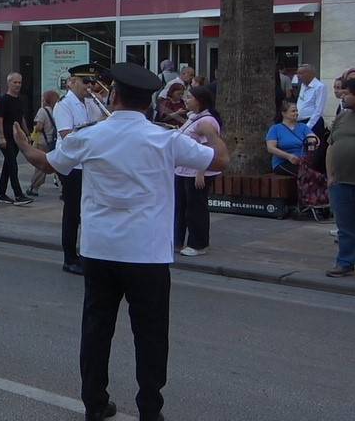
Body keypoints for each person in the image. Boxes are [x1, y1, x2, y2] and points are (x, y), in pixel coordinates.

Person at [15, 61, 228, 421]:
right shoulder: (165, 139)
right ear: (147, 104)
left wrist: (22, 143)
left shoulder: (90, 136)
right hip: (147, 254)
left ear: (113, 96)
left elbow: (47, 162)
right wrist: (211, 129)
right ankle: (150, 409)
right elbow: (220, 160)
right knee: (151, 335)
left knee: (97, 330)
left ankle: (95, 404)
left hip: (100, 250)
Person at [52, 64, 97, 275]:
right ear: (72, 82)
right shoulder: (64, 105)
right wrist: (94, 128)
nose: (90, 86)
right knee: (72, 212)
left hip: (86, 163)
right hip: (70, 164)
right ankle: (69, 258)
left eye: (92, 82)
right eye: (85, 82)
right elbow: (66, 136)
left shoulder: (91, 103)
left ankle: (84, 254)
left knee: (85, 211)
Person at [174, 86, 222, 258]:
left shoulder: (207, 122)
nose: (185, 100)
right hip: (182, 170)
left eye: (189, 97)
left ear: (200, 101)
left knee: (196, 209)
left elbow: (209, 146)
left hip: (196, 172)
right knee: (181, 207)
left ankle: (199, 243)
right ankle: (177, 241)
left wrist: (201, 171)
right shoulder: (193, 118)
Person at [325, 78, 355, 277]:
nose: (342, 96)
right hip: (341, 181)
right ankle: (345, 262)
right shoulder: (341, 117)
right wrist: (330, 175)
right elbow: (331, 146)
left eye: (347, 93)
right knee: (344, 226)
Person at [0, 72, 33, 205]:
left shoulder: (20, 99)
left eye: (19, 82)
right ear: (9, 83)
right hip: (5, 137)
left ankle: (1, 193)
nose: (17, 85)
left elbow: (21, 118)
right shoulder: (3, 100)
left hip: (17, 137)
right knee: (13, 166)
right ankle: (18, 195)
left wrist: (27, 134)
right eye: (15, 82)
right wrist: (1, 137)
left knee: (8, 166)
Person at [266, 101, 313, 176]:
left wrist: (312, 142)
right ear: (284, 113)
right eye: (293, 111)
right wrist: (288, 156)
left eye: (297, 111)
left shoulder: (303, 126)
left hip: (302, 162)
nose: (296, 113)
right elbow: (270, 148)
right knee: (305, 175)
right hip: (283, 162)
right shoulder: (275, 129)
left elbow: (312, 138)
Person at [28, 90, 60, 198]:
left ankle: (34, 187)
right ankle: (62, 187)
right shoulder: (57, 110)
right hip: (53, 142)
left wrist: (34, 129)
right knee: (56, 165)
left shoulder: (43, 111)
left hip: (42, 142)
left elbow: (39, 127)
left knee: (41, 166)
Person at [295, 64, 327, 139]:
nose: (298, 76)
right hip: (300, 122)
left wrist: (308, 126)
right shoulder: (303, 85)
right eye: (297, 73)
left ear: (310, 74)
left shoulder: (319, 87)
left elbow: (318, 110)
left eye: (300, 73)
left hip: (312, 122)